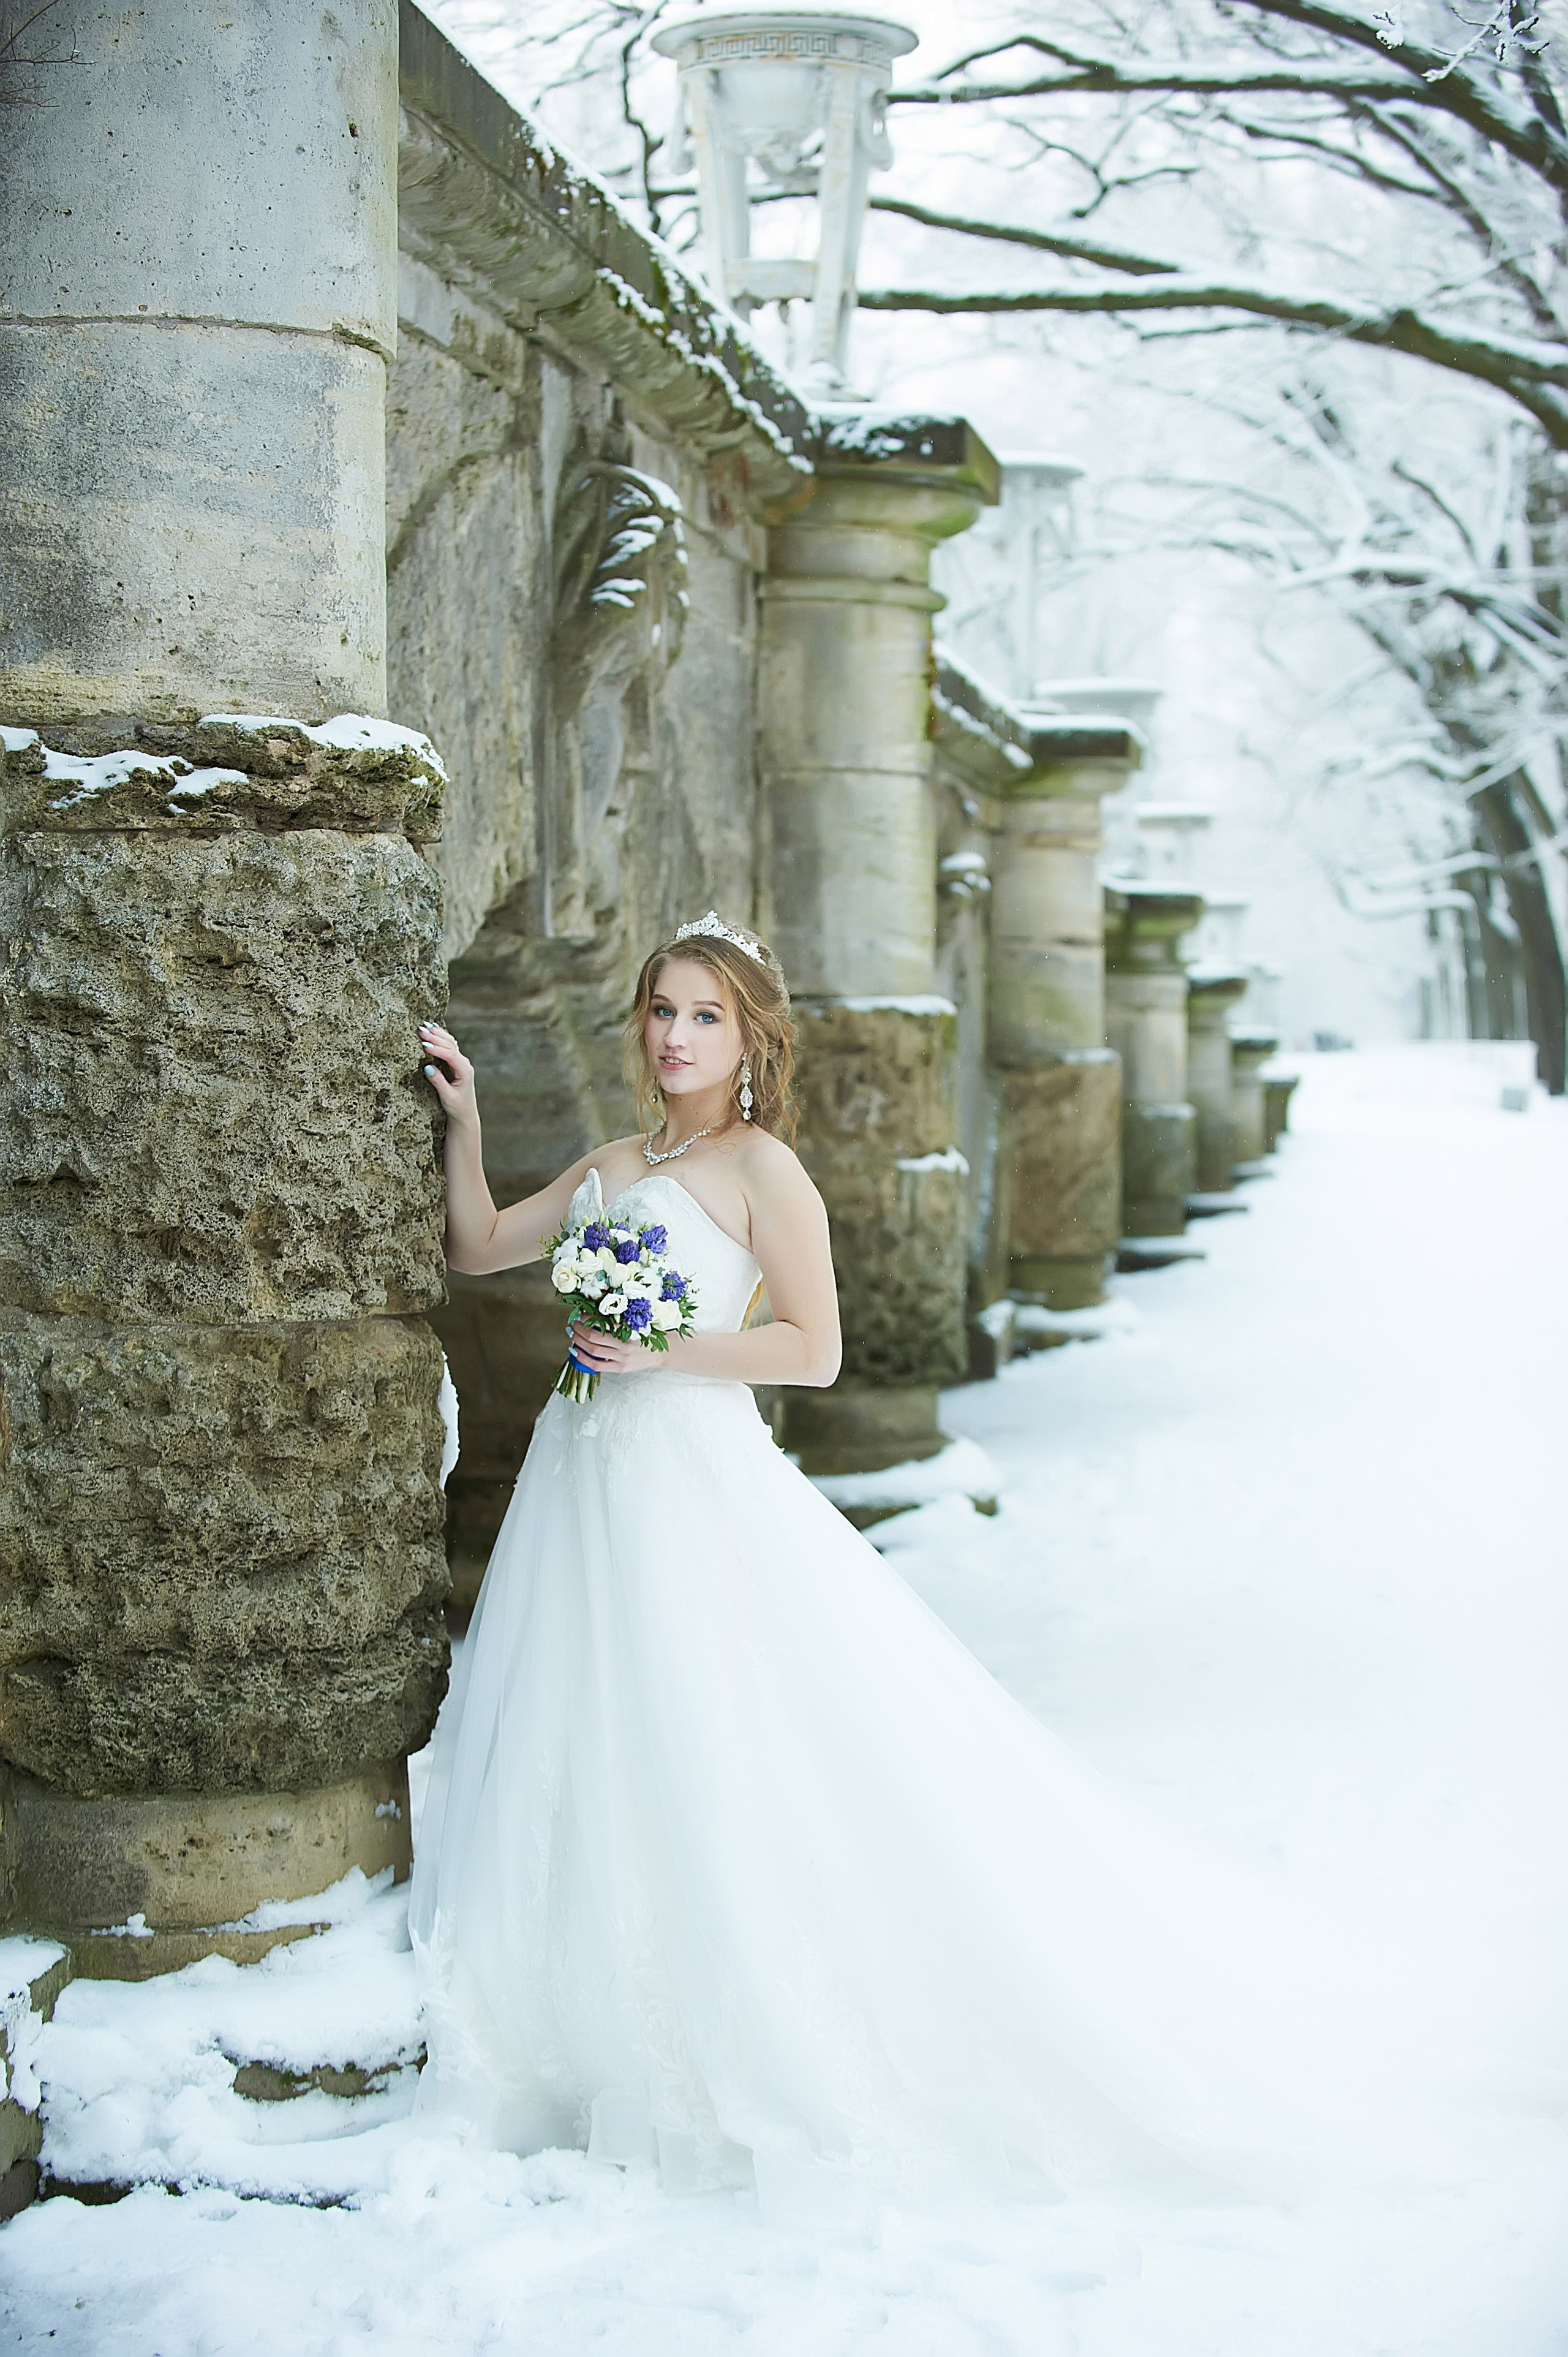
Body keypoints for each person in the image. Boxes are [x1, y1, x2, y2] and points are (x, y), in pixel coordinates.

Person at [409, 913, 1445, 2225]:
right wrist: (466, 1123)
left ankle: (716, 2019)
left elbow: (814, 1349)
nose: (674, 1036)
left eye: (703, 1017)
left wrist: (661, 1349)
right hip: (581, 1475)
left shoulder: (761, 1170)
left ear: (749, 1040)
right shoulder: (618, 1160)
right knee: (584, 1726)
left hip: (683, 1474)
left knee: (703, 1729)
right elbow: (480, 1244)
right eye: (661, 1011)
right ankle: (560, 2006)